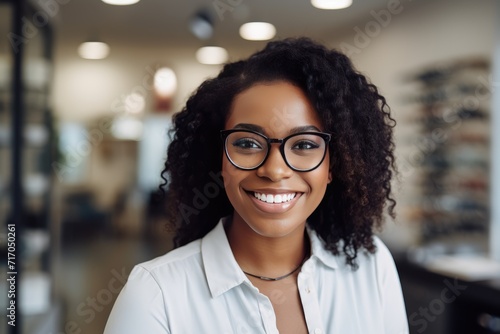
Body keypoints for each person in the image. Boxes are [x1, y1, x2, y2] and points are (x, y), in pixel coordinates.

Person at [104, 37, 409, 334]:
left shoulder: (371, 267)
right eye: (248, 143)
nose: (275, 170)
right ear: (219, 159)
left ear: (335, 165)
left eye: (303, 145)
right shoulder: (155, 296)